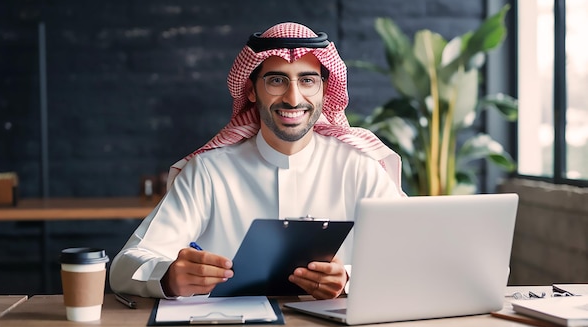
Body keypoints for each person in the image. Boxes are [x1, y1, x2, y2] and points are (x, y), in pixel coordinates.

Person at [109, 22, 405, 300]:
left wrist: (348, 279)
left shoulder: (358, 168)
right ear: (251, 90)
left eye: (308, 80)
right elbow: (124, 267)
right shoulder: (210, 172)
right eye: (277, 80)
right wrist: (169, 277)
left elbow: (414, 256)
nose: (293, 98)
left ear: (324, 90)